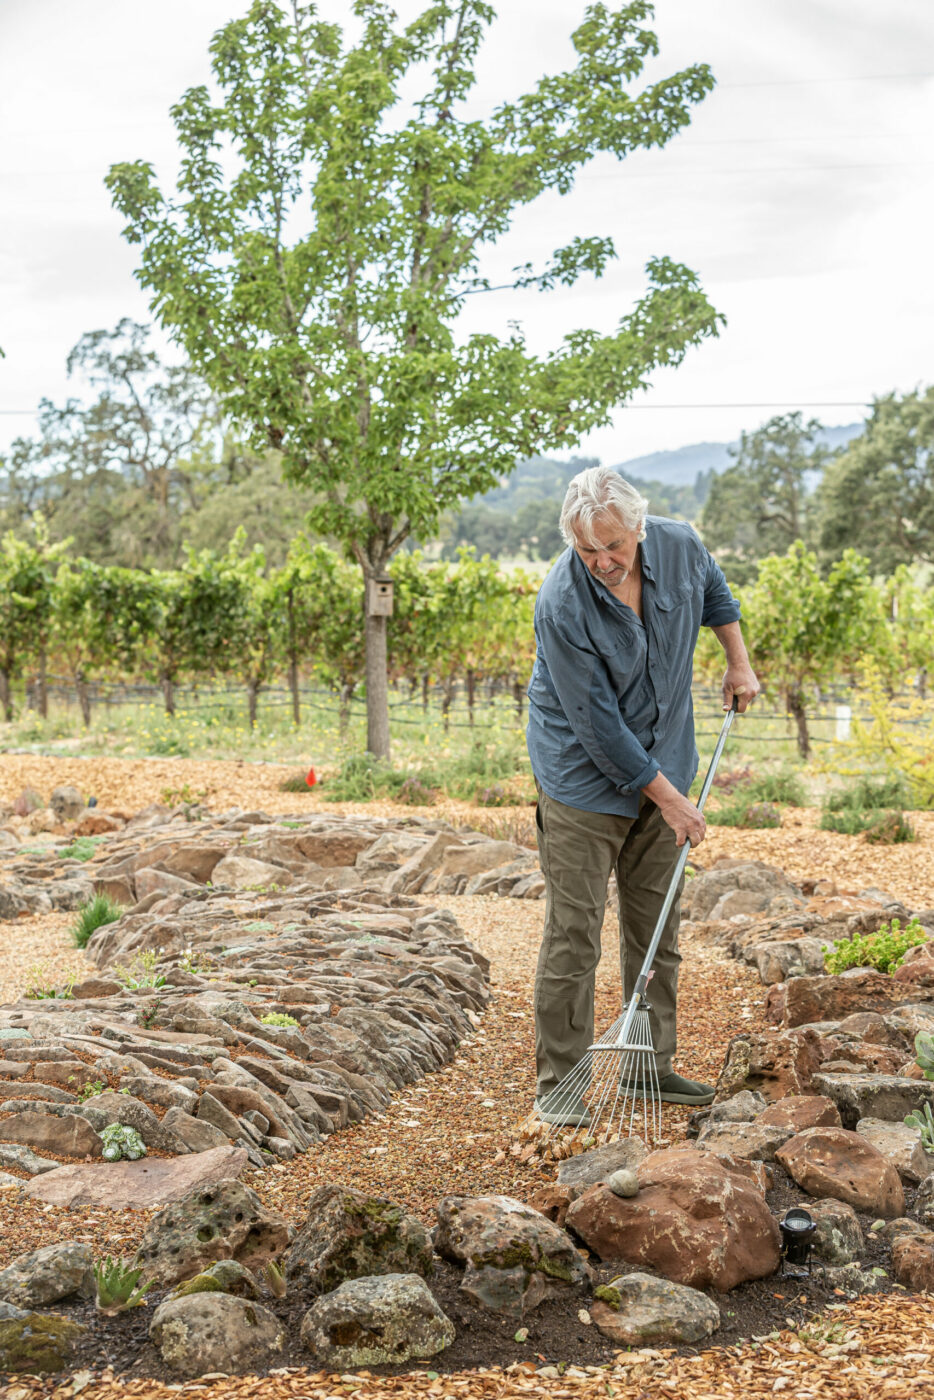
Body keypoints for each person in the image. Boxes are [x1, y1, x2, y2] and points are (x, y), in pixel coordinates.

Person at [526, 466, 759, 1121]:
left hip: (667, 757)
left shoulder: (680, 545)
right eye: (586, 550)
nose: (601, 561)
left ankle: (647, 1068)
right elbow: (598, 729)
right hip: (580, 779)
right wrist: (672, 800)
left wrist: (737, 659)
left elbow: (714, 590)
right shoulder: (562, 604)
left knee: (655, 928)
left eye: (613, 547)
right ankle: (560, 1083)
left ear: (639, 527)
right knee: (575, 935)